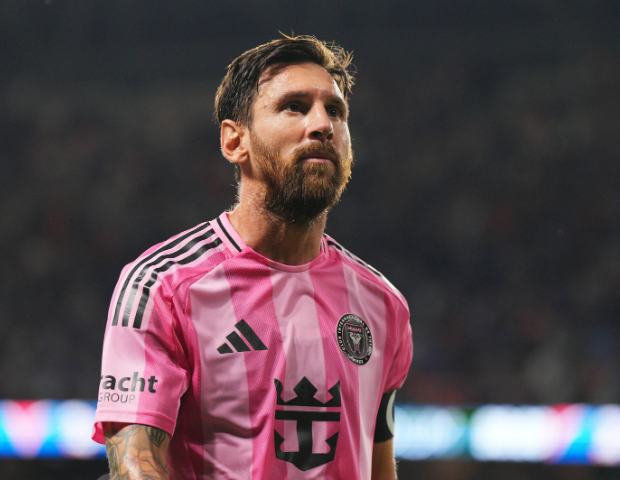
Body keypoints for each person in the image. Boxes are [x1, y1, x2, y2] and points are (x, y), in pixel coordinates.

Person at [92, 35, 412, 480]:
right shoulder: (160, 287)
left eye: (335, 111)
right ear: (234, 141)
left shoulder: (383, 304)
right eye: (294, 107)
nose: (323, 125)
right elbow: (135, 465)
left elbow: (378, 469)